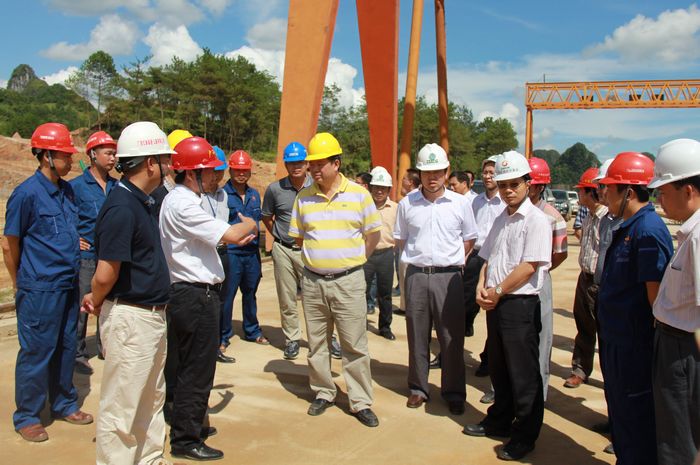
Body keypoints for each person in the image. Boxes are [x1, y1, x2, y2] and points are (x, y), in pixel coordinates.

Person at [81, 121, 176, 465]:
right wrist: (95, 298)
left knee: (151, 398)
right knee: (122, 406)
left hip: (150, 317)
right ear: (151, 163)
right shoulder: (122, 207)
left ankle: (149, 459)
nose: (170, 166)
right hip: (131, 318)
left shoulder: (141, 201)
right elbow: (106, 273)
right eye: (165, 159)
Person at [160, 136, 257, 461]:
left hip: (192, 294)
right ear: (191, 173)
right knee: (197, 369)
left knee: (191, 366)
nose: (217, 178)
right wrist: (250, 223)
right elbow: (232, 233)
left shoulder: (183, 200)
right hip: (194, 295)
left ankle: (189, 424)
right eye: (210, 172)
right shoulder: (184, 204)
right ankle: (186, 439)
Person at [3, 122, 93, 443]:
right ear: (45, 156)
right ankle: (28, 415)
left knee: (66, 347)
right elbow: (9, 244)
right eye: (65, 155)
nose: (70, 160)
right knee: (37, 351)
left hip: (67, 284)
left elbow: (64, 231)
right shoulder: (26, 194)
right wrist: (19, 282)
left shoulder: (67, 191)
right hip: (39, 287)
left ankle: (64, 403)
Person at [463, 150, 552, 462]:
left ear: (528, 183)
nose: (508, 190)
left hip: (519, 305)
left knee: (523, 374)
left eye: (514, 184)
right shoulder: (502, 218)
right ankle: (499, 419)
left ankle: (525, 435)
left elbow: (529, 266)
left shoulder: (537, 221)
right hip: (497, 302)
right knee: (499, 368)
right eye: (503, 185)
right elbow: (488, 257)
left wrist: (497, 291)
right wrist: (481, 285)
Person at [288, 132, 382, 427]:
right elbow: (300, 238)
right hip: (313, 283)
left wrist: (353, 261)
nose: (314, 169)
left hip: (349, 282)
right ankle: (323, 392)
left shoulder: (359, 195)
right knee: (317, 343)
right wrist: (321, 261)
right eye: (312, 163)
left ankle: (360, 401)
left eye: (320, 163)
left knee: (354, 344)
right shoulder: (303, 197)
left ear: (336, 163)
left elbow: (373, 234)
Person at [597, 151, 673, 465]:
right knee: (621, 414)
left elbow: (655, 301)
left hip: (633, 345)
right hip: (617, 338)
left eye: (608, 188)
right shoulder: (630, 226)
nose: (603, 194)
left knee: (636, 417)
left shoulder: (647, 231)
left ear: (628, 191)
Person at [394, 143, 477, 415]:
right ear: (420, 172)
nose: (433, 177)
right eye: (427, 172)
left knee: (451, 337)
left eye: (438, 171)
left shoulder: (461, 204)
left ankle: (454, 392)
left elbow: (469, 239)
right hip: (417, 276)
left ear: (447, 171)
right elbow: (402, 239)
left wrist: (449, 260)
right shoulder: (407, 204)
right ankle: (418, 388)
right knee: (417, 334)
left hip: (449, 277)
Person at [647, 138, 700, 465]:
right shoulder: (690, 233)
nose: (659, 200)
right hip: (675, 345)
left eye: (663, 192)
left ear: (688, 190)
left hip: (684, 351)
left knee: (680, 440)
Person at [71, 130, 117, 374]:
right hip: (87, 257)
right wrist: (73, 238)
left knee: (107, 304)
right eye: (108, 153)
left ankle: (104, 346)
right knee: (82, 305)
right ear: (92, 154)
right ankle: (77, 354)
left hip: (110, 256)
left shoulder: (116, 186)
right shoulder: (76, 187)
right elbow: (66, 217)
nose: (112, 158)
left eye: (114, 154)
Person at [261, 141, 311, 360]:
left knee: (316, 297)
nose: (296, 166)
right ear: (285, 164)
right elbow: (266, 216)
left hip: (310, 251)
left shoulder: (316, 187)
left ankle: (326, 338)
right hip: (283, 250)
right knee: (287, 297)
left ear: (307, 163)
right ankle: (292, 339)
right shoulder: (275, 189)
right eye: (291, 163)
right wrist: (278, 235)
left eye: (299, 162)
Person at [527, 157, 568, 401]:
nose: (525, 187)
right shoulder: (510, 213)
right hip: (513, 282)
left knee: (541, 337)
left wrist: (540, 269)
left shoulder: (552, 217)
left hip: (540, 281)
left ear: (540, 187)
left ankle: (538, 394)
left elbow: (560, 253)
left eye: (530, 184)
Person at [221, 149, 268, 352]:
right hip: (232, 253)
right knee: (227, 295)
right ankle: (223, 335)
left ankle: (252, 330)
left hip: (251, 254)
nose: (241, 173)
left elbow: (257, 220)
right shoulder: (222, 195)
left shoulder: (254, 195)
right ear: (230, 170)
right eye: (237, 169)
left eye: (245, 170)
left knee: (250, 292)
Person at [466, 156, 506, 392]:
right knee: (465, 306)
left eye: (492, 172)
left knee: (493, 313)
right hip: (475, 256)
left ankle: (488, 360)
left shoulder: (505, 202)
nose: (488, 176)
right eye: (486, 172)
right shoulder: (476, 202)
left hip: (496, 259)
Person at [565, 167, 606, 388]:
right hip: (585, 278)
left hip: (601, 282)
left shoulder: (607, 219)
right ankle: (580, 370)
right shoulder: (588, 216)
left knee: (605, 331)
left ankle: (610, 375)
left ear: (592, 192)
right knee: (584, 326)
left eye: (581, 190)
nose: (579, 194)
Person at [201, 146, 237, 363]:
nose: (216, 177)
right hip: (205, 254)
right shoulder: (196, 196)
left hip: (223, 253)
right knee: (205, 301)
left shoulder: (223, 195)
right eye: (213, 171)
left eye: (219, 172)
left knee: (221, 301)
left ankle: (216, 345)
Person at [364, 167, 398, 340]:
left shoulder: (395, 208)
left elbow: (400, 231)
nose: (379, 191)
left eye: (383, 188)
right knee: (361, 291)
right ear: (371, 188)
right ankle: (358, 325)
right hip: (365, 254)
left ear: (389, 190)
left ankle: (385, 327)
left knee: (385, 294)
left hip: (386, 254)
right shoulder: (363, 206)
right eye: (376, 187)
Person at [395, 168, 421, 313]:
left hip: (408, 250)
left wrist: (405, 251)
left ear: (411, 182)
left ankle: (408, 309)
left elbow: (400, 234)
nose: (402, 181)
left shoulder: (407, 202)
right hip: (413, 250)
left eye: (404, 178)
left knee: (407, 281)